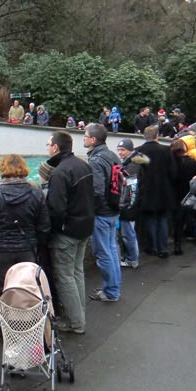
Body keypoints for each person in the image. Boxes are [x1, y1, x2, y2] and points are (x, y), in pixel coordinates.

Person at [45, 131, 94, 334]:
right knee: (76, 273)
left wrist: (52, 231)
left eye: (48, 144)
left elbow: (56, 209)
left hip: (67, 232)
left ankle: (76, 322)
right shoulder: (83, 165)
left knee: (65, 276)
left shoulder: (59, 172)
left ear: (55, 147)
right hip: (84, 228)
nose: (47, 147)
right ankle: (78, 315)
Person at [0, 154, 50, 288]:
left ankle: (6, 309)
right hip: (27, 249)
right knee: (29, 288)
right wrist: (36, 244)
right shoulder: (36, 193)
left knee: (6, 288)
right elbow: (44, 226)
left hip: (0, 251)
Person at [83, 123, 122, 302]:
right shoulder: (113, 155)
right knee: (112, 250)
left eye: (85, 135)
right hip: (113, 211)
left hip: (102, 214)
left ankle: (111, 292)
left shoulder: (96, 160)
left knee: (103, 253)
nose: (83, 138)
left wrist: (91, 211)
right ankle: (113, 287)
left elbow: (97, 191)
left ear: (93, 139)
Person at [136, 126, 177, 257]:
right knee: (163, 219)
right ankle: (163, 248)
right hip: (163, 190)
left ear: (144, 136)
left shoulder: (138, 151)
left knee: (150, 219)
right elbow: (173, 173)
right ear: (156, 136)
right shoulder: (166, 150)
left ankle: (151, 247)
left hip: (146, 190)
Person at [115, 139, 149, 269]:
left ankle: (132, 259)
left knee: (128, 233)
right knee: (128, 232)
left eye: (123, 150)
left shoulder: (134, 163)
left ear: (130, 150)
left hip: (130, 204)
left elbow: (127, 182)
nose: (120, 152)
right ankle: (131, 258)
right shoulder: (135, 160)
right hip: (133, 202)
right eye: (118, 149)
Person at [171, 139, 196, 265]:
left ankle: (177, 244)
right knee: (194, 220)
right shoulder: (194, 163)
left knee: (178, 221)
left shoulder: (172, 163)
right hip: (191, 194)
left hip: (176, 195)